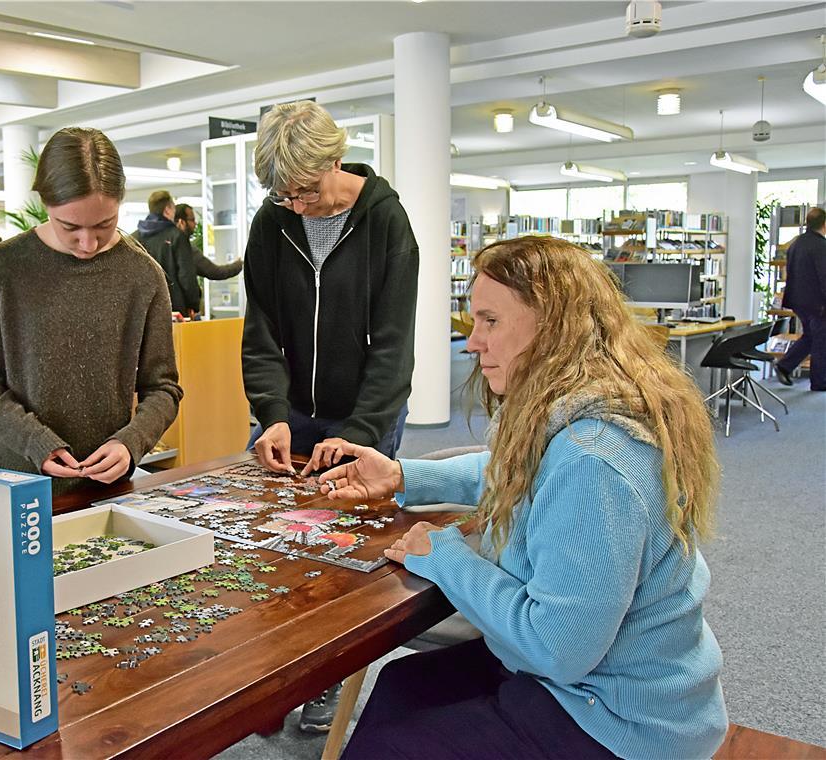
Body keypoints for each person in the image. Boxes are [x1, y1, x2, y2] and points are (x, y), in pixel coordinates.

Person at [311, 236, 727, 759]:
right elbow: (514, 472)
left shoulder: (593, 460)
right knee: (402, 685)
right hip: (596, 682)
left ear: (553, 327)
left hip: (620, 720)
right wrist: (401, 474)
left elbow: (556, 648)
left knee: (393, 744)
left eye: (490, 321)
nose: (472, 344)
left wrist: (445, 558)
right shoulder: (585, 408)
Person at [242, 100, 419, 733]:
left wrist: (359, 433)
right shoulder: (273, 221)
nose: (298, 205)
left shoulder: (387, 222)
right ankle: (269, 677)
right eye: (284, 195)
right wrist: (271, 414)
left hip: (363, 419)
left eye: (308, 191)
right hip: (290, 415)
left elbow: (394, 346)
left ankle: (324, 684)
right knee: (268, 551)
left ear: (336, 163)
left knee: (344, 564)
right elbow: (261, 328)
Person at [0, 127, 182, 495]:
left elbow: (163, 388)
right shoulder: (5, 266)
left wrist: (131, 443)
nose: (87, 243)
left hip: (101, 491)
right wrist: (35, 442)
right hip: (13, 488)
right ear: (46, 204)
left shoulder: (143, 274)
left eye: (104, 225)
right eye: (70, 227)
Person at [774, 206, 826, 391]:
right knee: (820, 339)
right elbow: (823, 275)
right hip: (817, 302)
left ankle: (785, 365)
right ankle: (819, 382)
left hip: (797, 300)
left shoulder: (797, 243)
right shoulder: (820, 245)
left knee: (812, 336)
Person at [131, 189, 198, 316]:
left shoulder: (134, 238)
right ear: (167, 210)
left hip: (144, 308)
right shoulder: (177, 236)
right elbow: (186, 275)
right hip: (174, 307)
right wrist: (192, 304)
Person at [173, 202, 243, 314]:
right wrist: (240, 264)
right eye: (192, 220)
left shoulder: (160, 244)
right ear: (181, 222)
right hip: (183, 311)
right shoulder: (186, 249)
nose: (195, 224)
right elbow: (215, 272)